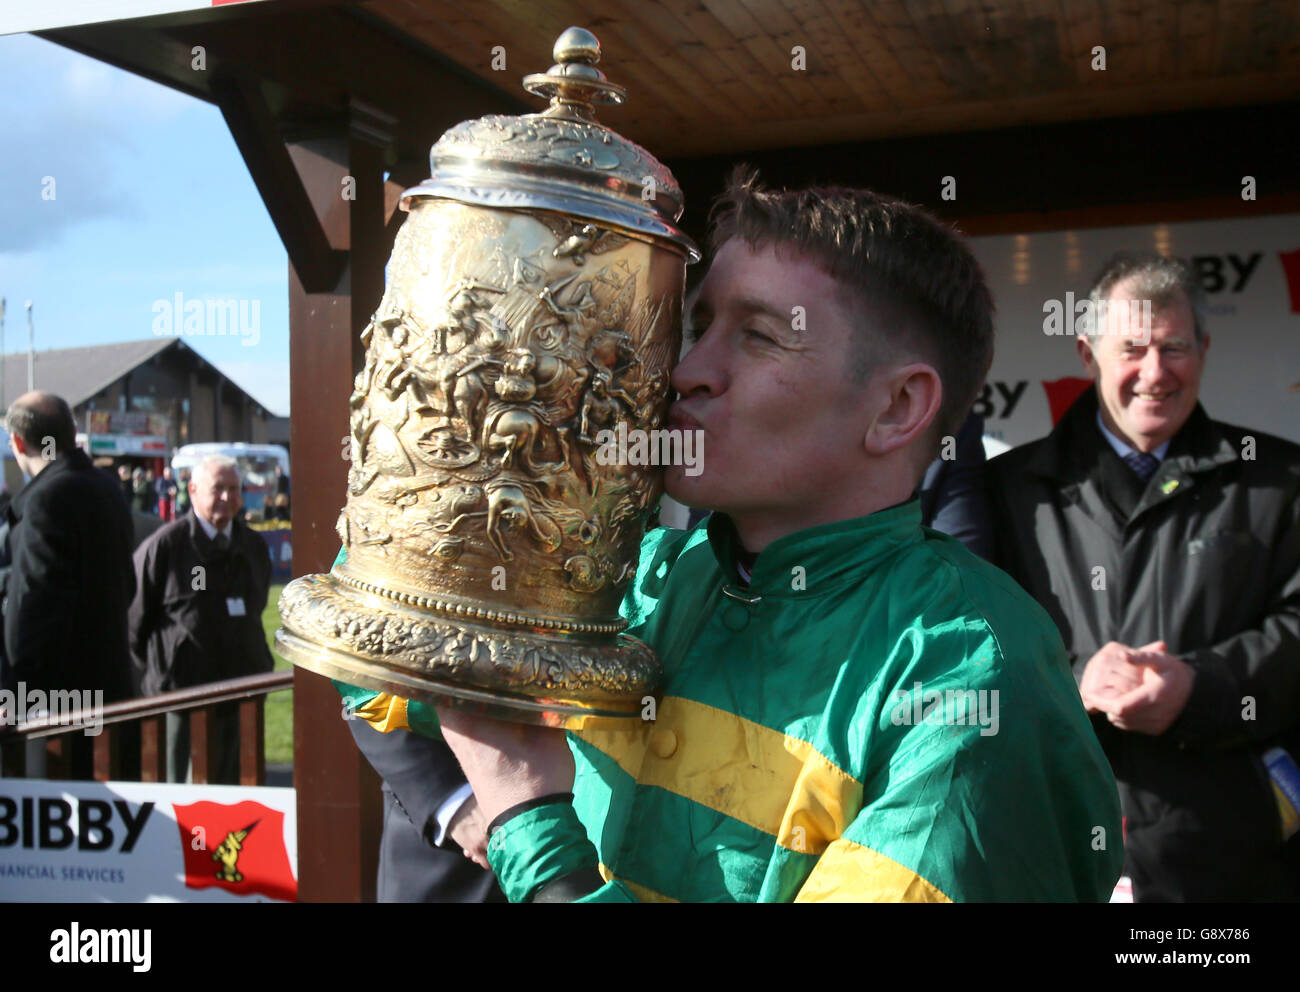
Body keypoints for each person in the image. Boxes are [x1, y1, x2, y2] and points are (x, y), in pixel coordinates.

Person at [338, 170, 1125, 902]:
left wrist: (527, 818)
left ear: (896, 409)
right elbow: (366, 634)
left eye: (757, 336)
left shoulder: (967, 678)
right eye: (700, 324)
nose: (686, 372)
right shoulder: (634, 579)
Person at [988, 252, 1300, 901]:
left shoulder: (1280, 483)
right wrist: (1073, 681)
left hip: (1224, 861)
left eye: (1175, 347)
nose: (1155, 373)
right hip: (1053, 847)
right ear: (1086, 351)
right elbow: (966, 648)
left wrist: (1199, 687)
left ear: (1205, 350)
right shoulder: (1008, 491)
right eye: (1132, 348)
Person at [2, 392, 136, 777]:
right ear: (73, 431)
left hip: (59, 709)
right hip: (111, 691)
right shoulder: (107, 488)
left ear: (17, 443)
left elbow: (35, 604)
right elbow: (125, 586)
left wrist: (16, 693)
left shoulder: (46, 499)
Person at [128, 454, 275, 783]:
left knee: (238, 797)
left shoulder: (252, 546)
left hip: (242, 693)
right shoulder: (164, 547)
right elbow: (135, 623)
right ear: (192, 490)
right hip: (181, 699)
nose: (227, 497)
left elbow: (257, 605)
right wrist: (167, 667)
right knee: (182, 795)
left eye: (234, 489)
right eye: (218, 488)